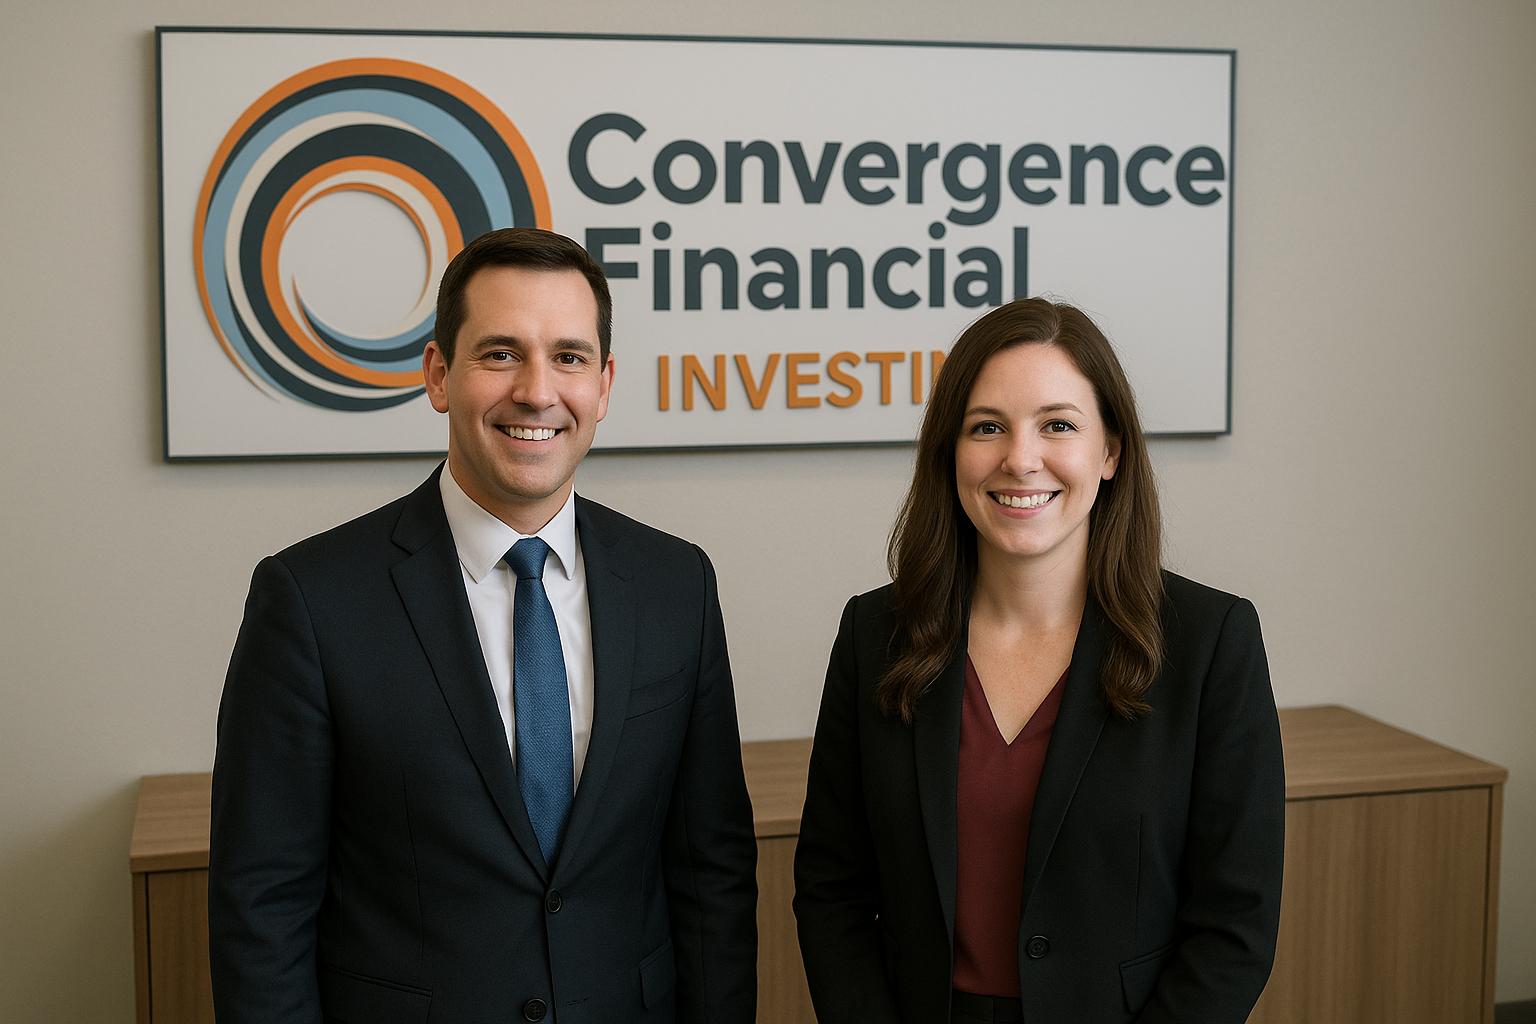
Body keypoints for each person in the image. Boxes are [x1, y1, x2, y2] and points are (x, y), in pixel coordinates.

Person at [209, 228, 758, 1024]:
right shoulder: (310, 600)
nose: (538, 392)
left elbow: (712, 874)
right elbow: (261, 905)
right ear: (438, 374)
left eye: (569, 357)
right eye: (500, 354)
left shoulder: (678, 584)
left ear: (604, 385)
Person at [792, 298, 1284, 1024]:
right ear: (950, 452)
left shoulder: (1213, 641)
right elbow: (832, 889)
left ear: (1110, 451)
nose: (1020, 458)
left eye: (1058, 425)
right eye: (987, 426)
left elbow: (1235, 925)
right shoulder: (875, 634)